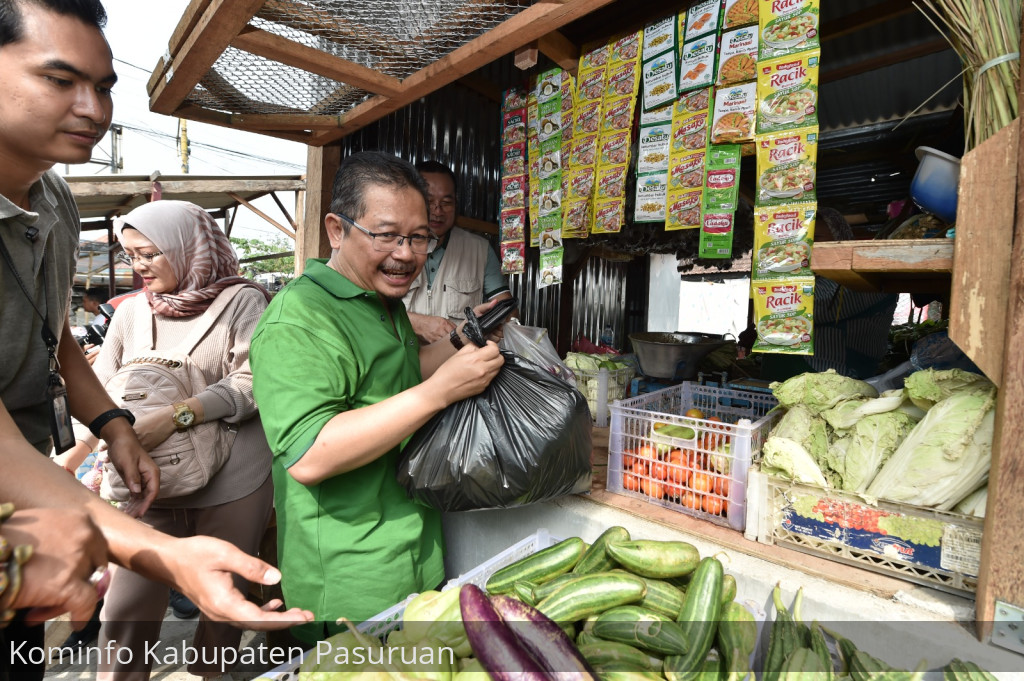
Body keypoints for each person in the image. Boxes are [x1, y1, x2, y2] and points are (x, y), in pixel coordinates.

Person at [0, 2, 311, 677]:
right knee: (122, 625)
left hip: (208, 474)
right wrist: (144, 528)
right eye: (60, 79)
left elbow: (55, 339)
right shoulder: (131, 310)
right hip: (66, 485)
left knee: (211, 624)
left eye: (104, 85)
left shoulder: (54, 203)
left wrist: (118, 426)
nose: (93, 109)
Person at [250, 151, 505, 644]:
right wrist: (439, 392)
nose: (406, 254)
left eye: (419, 237)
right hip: (351, 576)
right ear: (336, 230)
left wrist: (461, 344)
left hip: (415, 547)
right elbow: (311, 453)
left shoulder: (380, 301)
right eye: (386, 235)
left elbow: (401, 373)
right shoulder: (300, 319)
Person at [55, 200, 277, 679]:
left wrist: (173, 417)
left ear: (188, 247)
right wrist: (76, 454)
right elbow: (100, 392)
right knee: (125, 611)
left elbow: (255, 382)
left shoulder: (244, 302)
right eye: (131, 255)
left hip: (233, 479)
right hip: (145, 480)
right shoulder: (132, 311)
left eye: (150, 253)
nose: (139, 266)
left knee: (221, 607)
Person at [759, 208, 900, 381]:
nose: (803, 247)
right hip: (783, 375)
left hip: (833, 378)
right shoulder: (810, 279)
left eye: (815, 239)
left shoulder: (862, 278)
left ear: (840, 239)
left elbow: (811, 306)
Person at [403, 160, 514, 343]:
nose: (437, 210)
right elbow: (365, 311)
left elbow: (507, 311)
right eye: (428, 201)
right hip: (401, 359)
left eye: (446, 202)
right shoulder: (390, 248)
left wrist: (491, 324)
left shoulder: (479, 250)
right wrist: (417, 323)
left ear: (456, 204)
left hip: (459, 359)